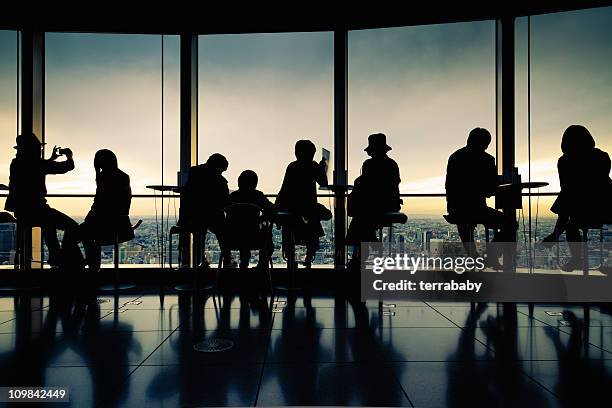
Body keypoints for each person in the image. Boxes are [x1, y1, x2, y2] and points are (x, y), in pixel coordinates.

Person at [5, 133, 83, 269]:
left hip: (22, 212)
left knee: (49, 224)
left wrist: (51, 159)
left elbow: (38, 168)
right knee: (72, 226)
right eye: (38, 148)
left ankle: (57, 259)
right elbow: (66, 167)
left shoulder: (16, 163)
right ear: (33, 149)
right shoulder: (37, 164)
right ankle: (67, 260)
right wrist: (69, 156)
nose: (39, 150)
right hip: (38, 210)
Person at [541, 125, 612, 271]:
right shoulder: (602, 156)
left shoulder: (564, 161)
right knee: (569, 198)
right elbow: (601, 184)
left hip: (581, 205)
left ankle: (572, 253)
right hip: (604, 203)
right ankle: (556, 236)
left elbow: (567, 189)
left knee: (568, 201)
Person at [445, 128, 516, 266]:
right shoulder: (487, 160)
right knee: (510, 224)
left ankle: (475, 257)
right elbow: (491, 188)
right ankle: (490, 254)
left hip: (459, 208)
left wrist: (452, 207)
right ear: (486, 144)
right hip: (479, 208)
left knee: (464, 225)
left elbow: (450, 186)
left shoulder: (455, 157)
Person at [275, 140, 330, 267]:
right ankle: (308, 258)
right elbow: (323, 183)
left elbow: (284, 189)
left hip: (291, 208)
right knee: (313, 228)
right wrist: (322, 168)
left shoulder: (292, 166)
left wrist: (278, 206)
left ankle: (291, 260)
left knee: (289, 232)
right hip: (309, 207)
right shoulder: (314, 166)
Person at [79, 150, 133, 273]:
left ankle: (85, 264)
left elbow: (100, 204)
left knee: (74, 234)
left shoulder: (104, 177)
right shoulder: (123, 176)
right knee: (91, 236)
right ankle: (91, 265)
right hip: (121, 224)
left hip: (106, 224)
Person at [346, 133, 402, 247]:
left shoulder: (369, 164)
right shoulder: (392, 164)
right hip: (390, 205)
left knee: (360, 219)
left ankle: (364, 249)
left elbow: (365, 185)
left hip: (372, 206)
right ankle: (369, 243)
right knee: (364, 220)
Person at [178, 153, 231, 265]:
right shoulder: (220, 181)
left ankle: (199, 261)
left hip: (194, 216)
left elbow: (188, 196)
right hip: (213, 215)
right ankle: (226, 260)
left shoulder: (195, 173)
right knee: (223, 234)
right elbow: (224, 202)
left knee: (198, 237)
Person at [228, 170, 275, 268]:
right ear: (255, 183)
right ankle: (262, 263)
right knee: (267, 235)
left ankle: (244, 260)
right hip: (255, 237)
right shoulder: (257, 196)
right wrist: (261, 218)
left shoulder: (233, 197)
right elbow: (271, 208)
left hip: (233, 238)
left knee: (242, 230)